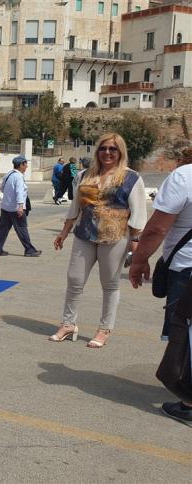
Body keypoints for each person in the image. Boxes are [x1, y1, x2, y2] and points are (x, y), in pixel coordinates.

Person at [50, 133, 147, 348]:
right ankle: (68, 324)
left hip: (115, 237)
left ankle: (104, 329)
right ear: (97, 151)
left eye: (113, 149)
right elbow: (75, 206)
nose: (108, 153)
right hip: (85, 234)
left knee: (110, 285)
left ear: (120, 152)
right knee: (74, 279)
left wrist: (136, 244)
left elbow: (139, 213)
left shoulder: (131, 178)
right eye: (103, 148)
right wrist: (64, 232)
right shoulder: (85, 175)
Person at [129, 150, 192, 426]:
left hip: (187, 269)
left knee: (186, 335)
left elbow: (156, 230)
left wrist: (139, 260)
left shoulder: (184, 177)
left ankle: (188, 403)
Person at [0, 155, 41, 257]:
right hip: (15, 208)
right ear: (21, 165)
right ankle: (29, 250)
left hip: (6, 207)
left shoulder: (9, 174)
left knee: (2, 229)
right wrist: (20, 207)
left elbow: (2, 188)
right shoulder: (18, 177)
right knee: (22, 229)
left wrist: (9, 197)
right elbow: (19, 192)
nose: (27, 166)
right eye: (25, 164)